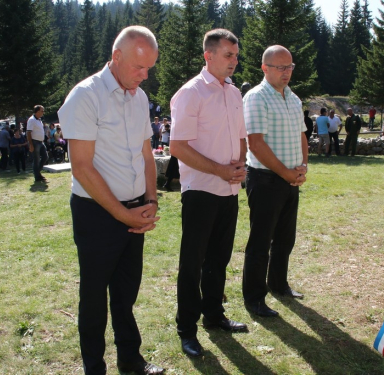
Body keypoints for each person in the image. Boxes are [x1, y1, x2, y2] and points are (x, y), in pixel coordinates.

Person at [58, 26, 163, 375]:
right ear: (116, 57)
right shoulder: (85, 96)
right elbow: (83, 168)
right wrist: (123, 215)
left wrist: (151, 200)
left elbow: (146, 155)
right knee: (94, 296)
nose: (144, 76)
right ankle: (94, 368)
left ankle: (131, 361)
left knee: (125, 292)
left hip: (135, 208)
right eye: (138, 67)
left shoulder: (140, 97)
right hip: (97, 213)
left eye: (149, 68)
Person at [170, 28, 248, 358]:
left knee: (219, 258)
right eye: (228, 55)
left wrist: (241, 163)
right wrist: (219, 170)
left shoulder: (233, 93)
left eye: (236, 55)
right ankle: (187, 328)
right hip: (201, 190)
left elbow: (241, 136)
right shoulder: (191, 93)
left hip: (229, 190)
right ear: (209, 55)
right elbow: (177, 147)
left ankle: (214, 316)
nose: (234, 61)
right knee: (193, 261)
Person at [242, 45, 308, 318]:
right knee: (261, 241)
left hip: (290, 178)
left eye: (290, 66)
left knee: (284, 238)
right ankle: (254, 298)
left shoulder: (293, 98)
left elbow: (302, 135)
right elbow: (255, 144)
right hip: (266, 179)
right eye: (280, 67)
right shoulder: (257, 97)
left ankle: (279, 284)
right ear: (265, 68)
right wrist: (287, 173)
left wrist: (304, 166)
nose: (286, 72)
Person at [27, 105, 48, 182]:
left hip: (41, 142)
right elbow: (28, 133)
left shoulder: (39, 120)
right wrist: (31, 144)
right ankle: (37, 176)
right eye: (42, 111)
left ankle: (37, 173)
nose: (43, 112)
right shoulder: (31, 120)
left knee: (45, 157)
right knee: (36, 160)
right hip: (35, 142)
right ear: (37, 111)